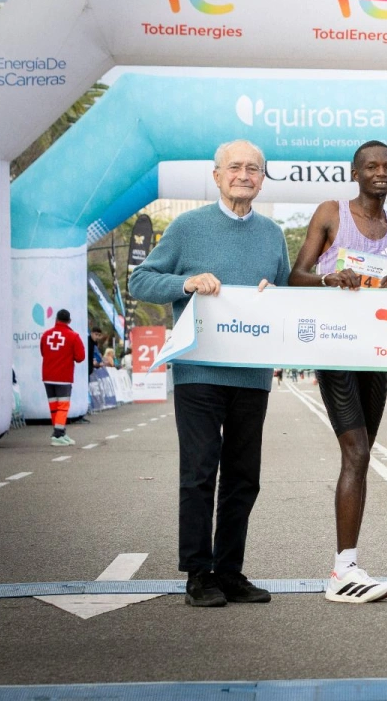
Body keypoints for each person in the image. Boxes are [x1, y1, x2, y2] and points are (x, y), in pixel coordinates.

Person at [128, 140, 290, 608]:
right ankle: (198, 574)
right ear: (217, 176)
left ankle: (230, 571)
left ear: (262, 179)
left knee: (244, 476)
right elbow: (141, 280)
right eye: (235, 167)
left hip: (252, 374)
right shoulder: (187, 227)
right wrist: (187, 281)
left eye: (253, 169)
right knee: (200, 472)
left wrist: (273, 295)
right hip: (198, 370)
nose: (244, 175)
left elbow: (283, 298)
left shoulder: (273, 234)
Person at [289, 140, 387, 604]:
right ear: (355, 173)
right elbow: (295, 275)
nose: (380, 173)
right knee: (356, 451)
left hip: (374, 351)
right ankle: (342, 571)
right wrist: (329, 278)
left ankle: (348, 565)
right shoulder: (331, 213)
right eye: (371, 167)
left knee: (362, 456)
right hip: (334, 345)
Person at [40, 308, 86, 446]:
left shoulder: (46, 335)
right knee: (63, 406)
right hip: (63, 377)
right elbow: (80, 357)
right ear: (69, 321)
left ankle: (60, 431)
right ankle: (58, 435)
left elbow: (43, 352)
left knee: (54, 406)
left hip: (47, 376)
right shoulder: (73, 336)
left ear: (56, 320)